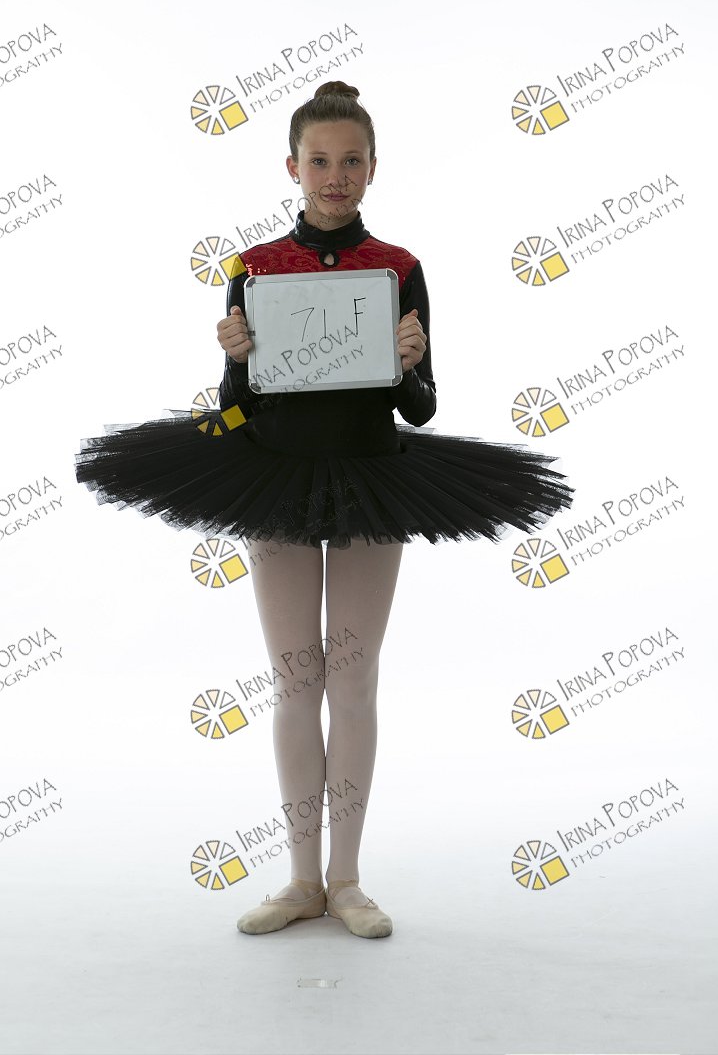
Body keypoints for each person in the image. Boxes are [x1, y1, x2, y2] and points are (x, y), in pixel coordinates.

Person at [74, 80, 575, 940]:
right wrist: (236, 358)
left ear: (373, 168)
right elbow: (237, 409)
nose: (335, 175)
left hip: (373, 476)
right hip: (274, 477)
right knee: (295, 680)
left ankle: (346, 880)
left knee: (354, 677)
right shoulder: (254, 268)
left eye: (350, 160)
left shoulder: (399, 269)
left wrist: (410, 363)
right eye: (319, 161)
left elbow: (419, 408)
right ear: (293, 168)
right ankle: (301, 878)